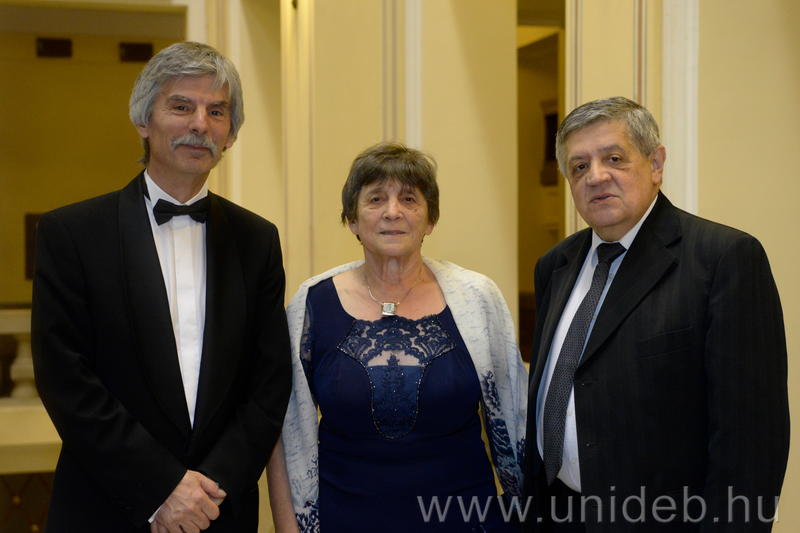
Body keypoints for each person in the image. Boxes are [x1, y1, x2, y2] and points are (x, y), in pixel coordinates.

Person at [31, 42, 292, 533]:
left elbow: (269, 382)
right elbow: (65, 379)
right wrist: (160, 488)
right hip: (106, 509)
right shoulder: (72, 234)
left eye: (217, 111)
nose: (200, 124)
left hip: (219, 511)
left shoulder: (258, 240)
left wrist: (209, 489)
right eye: (181, 106)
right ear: (143, 120)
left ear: (231, 134)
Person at [521, 97, 789, 532]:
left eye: (613, 158)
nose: (596, 176)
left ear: (656, 164)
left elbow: (751, 445)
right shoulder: (555, 265)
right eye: (579, 166)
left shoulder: (723, 260)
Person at [266, 142, 528, 532]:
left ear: (430, 219)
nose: (393, 212)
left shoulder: (478, 298)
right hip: (346, 520)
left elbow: (517, 418)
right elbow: (286, 432)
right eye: (375, 199)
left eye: (409, 199)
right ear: (352, 220)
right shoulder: (311, 303)